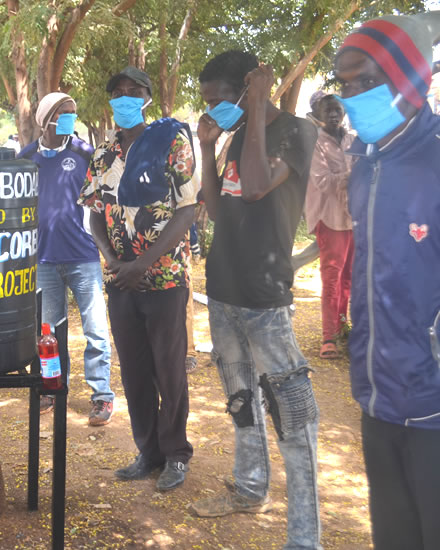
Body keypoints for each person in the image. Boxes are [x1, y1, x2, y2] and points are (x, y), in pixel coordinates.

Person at [189, 51, 321, 550]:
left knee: (291, 415)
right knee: (241, 400)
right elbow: (220, 210)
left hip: (266, 298)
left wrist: (264, 104)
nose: (214, 109)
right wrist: (208, 149)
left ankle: (305, 537)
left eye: (220, 99)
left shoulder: (295, 132)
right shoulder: (240, 134)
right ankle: (249, 488)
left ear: (247, 88)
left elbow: (258, 188)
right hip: (223, 289)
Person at [334, 13, 440, 548]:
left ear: (407, 80)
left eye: (366, 81)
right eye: (346, 84)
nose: (352, 95)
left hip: (434, 406)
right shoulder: (365, 163)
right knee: (394, 536)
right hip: (377, 395)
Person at [82, 66, 197, 491]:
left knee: (169, 370)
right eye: (118, 92)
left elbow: (187, 210)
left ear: (147, 98)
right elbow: (94, 213)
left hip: (163, 277)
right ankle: (148, 452)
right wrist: (113, 261)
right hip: (120, 281)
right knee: (133, 370)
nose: (125, 97)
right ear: (110, 101)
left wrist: (143, 262)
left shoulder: (172, 142)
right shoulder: (102, 154)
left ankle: (176, 454)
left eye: (134, 91)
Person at [18, 92, 115, 426]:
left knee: (96, 330)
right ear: (46, 119)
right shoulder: (26, 158)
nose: (70, 120)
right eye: (64, 114)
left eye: (74, 113)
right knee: (49, 332)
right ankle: (52, 387)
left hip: (83, 257)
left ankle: (102, 396)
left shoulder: (84, 153)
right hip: (42, 260)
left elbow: (103, 197)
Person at [304, 92, 355, 360]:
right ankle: (328, 338)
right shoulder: (317, 144)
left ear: (343, 111)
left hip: (352, 217)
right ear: (320, 116)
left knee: (348, 277)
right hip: (330, 218)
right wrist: (354, 175)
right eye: (328, 111)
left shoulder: (352, 139)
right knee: (332, 279)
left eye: (337, 109)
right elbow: (323, 181)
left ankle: (342, 327)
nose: (333, 114)